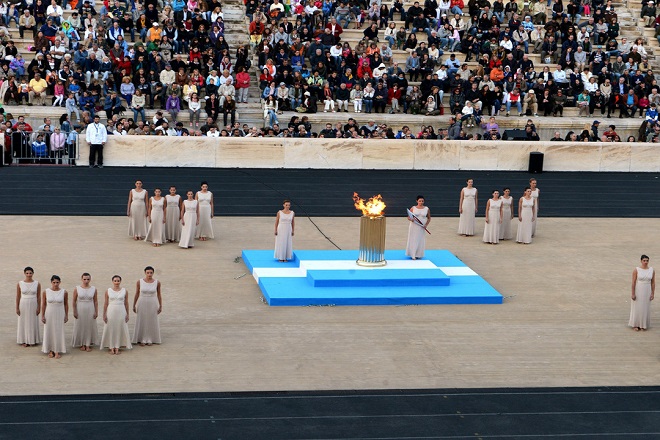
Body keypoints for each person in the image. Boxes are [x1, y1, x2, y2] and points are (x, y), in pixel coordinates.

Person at [100, 275, 132, 355]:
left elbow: (126, 303)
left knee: (119, 328)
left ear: (120, 281)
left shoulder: (125, 291)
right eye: (115, 281)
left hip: (121, 311)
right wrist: (104, 314)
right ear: (112, 281)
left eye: (118, 281)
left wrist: (127, 314)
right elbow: (105, 303)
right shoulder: (108, 291)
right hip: (111, 311)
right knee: (111, 328)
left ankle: (117, 347)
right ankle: (111, 347)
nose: (117, 282)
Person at [132, 266, 162, 346]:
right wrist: (134, 304)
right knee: (142, 319)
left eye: (151, 273)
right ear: (145, 273)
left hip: (152, 302)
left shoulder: (157, 282)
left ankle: (150, 338)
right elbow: (137, 293)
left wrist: (160, 305)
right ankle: (141, 338)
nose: (149, 274)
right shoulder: (139, 282)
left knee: (151, 319)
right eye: (148, 272)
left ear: (153, 273)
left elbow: (159, 294)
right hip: (142, 302)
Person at [41, 275, 68, 359]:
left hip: (59, 313)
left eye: (57, 282)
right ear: (51, 282)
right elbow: (43, 304)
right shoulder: (46, 291)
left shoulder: (64, 292)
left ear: (60, 282)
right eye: (54, 282)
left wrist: (66, 315)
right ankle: (50, 350)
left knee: (58, 331)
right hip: (49, 313)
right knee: (49, 330)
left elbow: (66, 304)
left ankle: (57, 350)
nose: (55, 284)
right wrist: (42, 315)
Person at [71, 272, 99, 352]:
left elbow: (96, 301)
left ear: (90, 279)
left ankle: (87, 344)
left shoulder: (94, 289)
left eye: (88, 279)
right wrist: (74, 311)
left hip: (90, 308)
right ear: (81, 279)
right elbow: (73, 301)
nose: (86, 281)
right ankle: (81, 343)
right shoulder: (77, 288)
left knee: (89, 326)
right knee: (81, 325)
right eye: (84, 279)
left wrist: (96, 312)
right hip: (80, 308)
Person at [16, 266, 41, 347]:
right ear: (24, 273)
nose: (29, 275)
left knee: (32, 321)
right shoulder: (20, 283)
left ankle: (33, 339)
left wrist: (39, 307)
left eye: (30, 273)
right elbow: (18, 296)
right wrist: (17, 307)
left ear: (33, 273)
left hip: (33, 303)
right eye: (27, 273)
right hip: (23, 303)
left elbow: (39, 296)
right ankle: (24, 340)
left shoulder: (37, 283)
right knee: (24, 321)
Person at [629, 255, 655, 331]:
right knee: (637, 307)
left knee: (645, 307)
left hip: (647, 289)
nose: (645, 262)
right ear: (641, 261)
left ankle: (643, 324)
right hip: (639, 289)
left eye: (647, 260)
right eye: (644, 260)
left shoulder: (651, 270)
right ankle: (635, 324)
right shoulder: (636, 270)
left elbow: (653, 283)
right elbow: (633, 282)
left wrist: (652, 293)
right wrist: (633, 293)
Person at [406, 195, 430, 260]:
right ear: (417, 201)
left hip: (421, 226)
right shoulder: (413, 208)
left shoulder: (426, 209)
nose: (421, 202)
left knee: (420, 239)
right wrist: (411, 219)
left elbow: (429, 218)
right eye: (420, 201)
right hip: (414, 225)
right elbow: (408, 217)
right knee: (413, 239)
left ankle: (419, 254)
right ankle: (413, 254)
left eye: (422, 201)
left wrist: (426, 225)